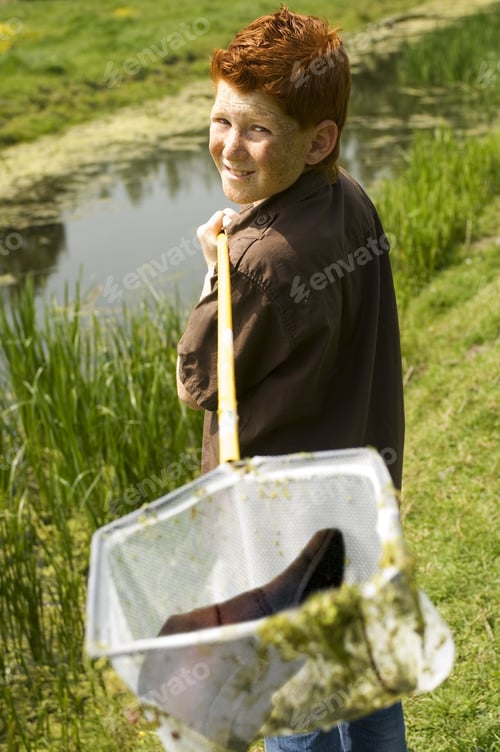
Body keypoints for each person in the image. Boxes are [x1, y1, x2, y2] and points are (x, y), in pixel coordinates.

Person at [175, 6, 407, 752]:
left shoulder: (257, 260)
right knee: (363, 686)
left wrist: (217, 275)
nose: (228, 147)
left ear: (319, 140)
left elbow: (198, 380)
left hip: (277, 538)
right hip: (354, 507)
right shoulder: (350, 198)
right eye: (221, 120)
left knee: (291, 715)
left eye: (256, 128)